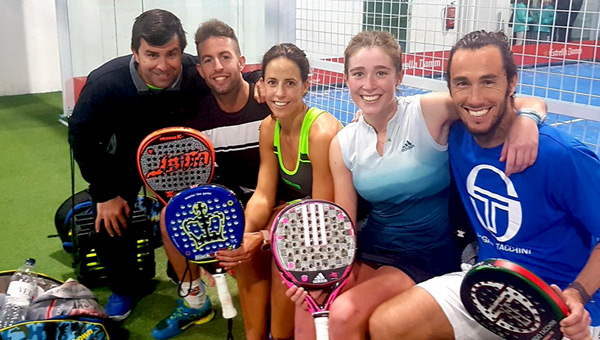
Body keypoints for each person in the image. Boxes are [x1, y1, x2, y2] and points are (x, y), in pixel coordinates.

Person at [286, 30, 547, 340]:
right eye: (359, 74)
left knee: (344, 313)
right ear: (347, 79)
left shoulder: (428, 112)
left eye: (381, 73)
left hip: (426, 254)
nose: (369, 85)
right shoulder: (343, 143)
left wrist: (527, 119)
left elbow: (521, 101)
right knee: (308, 311)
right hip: (372, 248)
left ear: (400, 75)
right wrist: (321, 277)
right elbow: (345, 224)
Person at [369, 30, 600, 340]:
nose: (475, 98)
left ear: (512, 83)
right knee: (388, 324)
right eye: (462, 83)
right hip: (487, 286)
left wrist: (578, 293)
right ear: (450, 88)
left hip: (562, 307)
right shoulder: (457, 139)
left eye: (488, 81)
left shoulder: (561, 155)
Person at [68, 9, 209, 321]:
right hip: (121, 160)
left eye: (172, 53)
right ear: (135, 53)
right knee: (111, 220)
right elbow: (81, 137)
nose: (163, 65)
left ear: (181, 51)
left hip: (174, 157)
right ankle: (124, 287)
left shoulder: (193, 74)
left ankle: (181, 273)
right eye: (152, 54)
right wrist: (104, 194)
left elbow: (230, 81)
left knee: (189, 211)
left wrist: (258, 83)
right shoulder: (105, 83)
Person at [215, 42, 343, 340]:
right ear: (261, 85)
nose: (280, 94)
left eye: (290, 84)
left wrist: (264, 237)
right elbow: (262, 194)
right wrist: (242, 237)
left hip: (333, 228)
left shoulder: (320, 132)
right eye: (272, 83)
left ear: (306, 86)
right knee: (246, 255)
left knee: (280, 254)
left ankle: (280, 335)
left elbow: (321, 214)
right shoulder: (268, 127)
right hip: (295, 217)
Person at [152, 19, 270, 340]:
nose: (218, 66)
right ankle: (195, 302)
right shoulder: (194, 117)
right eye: (208, 60)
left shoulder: (267, 102)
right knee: (168, 215)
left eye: (225, 56)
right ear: (201, 71)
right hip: (229, 205)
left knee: (258, 295)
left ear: (242, 63)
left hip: (272, 205)